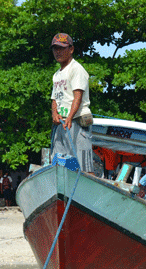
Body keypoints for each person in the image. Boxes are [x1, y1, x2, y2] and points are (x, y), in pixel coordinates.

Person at [50, 33, 97, 174]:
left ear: (71, 49)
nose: (58, 52)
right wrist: (54, 113)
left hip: (76, 122)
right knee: (59, 163)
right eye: (55, 48)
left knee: (84, 166)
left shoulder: (77, 69)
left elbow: (78, 96)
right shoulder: (57, 74)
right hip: (61, 123)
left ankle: (88, 192)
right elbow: (54, 99)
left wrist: (70, 117)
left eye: (61, 48)